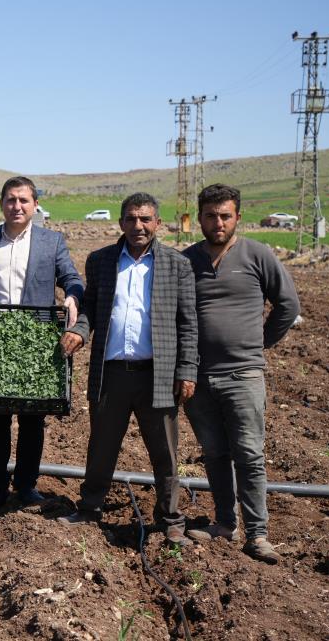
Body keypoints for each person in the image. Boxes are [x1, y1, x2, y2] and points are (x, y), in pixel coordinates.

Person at [59, 193, 197, 546]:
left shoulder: (175, 265)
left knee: (164, 452)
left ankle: (170, 520)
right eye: (132, 219)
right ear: (121, 223)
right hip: (112, 372)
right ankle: (89, 509)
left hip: (158, 373)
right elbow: (91, 308)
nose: (138, 226)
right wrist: (78, 330)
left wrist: (187, 370)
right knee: (102, 445)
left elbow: (187, 323)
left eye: (146, 219)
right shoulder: (102, 261)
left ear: (157, 223)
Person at [182, 184, 300, 564]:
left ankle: (258, 534)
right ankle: (223, 523)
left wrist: (259, 343)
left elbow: (287, 304)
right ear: (199, 218)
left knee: (249, 454)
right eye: (211, 216)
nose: (218, 223)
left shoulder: (257, 255)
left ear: (237, 218)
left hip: (243, 375)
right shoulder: (187, 261)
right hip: (198, 378)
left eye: (225, 216)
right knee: (214, 454)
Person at [0, 176, 84, 520]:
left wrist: (73, 296)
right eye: (11, 200)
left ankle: (27, 485)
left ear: (34, 205)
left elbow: (71, 278)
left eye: (24, 201)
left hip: (36, 342)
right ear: (2, 203)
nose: (17, 206)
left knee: (33, 418)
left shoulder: (51, 241)